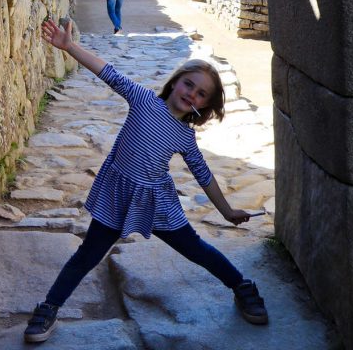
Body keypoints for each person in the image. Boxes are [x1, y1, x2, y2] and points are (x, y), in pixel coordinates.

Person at [23, 25, 269, 343]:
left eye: (200, 93)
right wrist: (70, 47)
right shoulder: (142, 100)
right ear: (176, 82)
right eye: (188, 84)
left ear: (204, 105)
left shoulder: (185, 136)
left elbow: (203, 174)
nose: (191, 93)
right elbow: (108, 73)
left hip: (156, 202)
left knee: (196, 249)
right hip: (118, 196)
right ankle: (49, 307)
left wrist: (226, 210)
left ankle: (242, 287)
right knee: (87, 254)